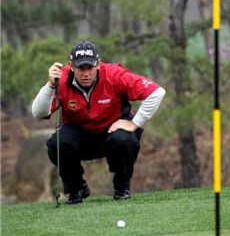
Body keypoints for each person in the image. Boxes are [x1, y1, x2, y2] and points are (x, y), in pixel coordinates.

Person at [32, 41, 166, 204]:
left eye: (90, 67)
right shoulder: (61, 79)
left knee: (125, 139)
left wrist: (134, 123)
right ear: (71, 67)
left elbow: (157, 92)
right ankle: (76, 189)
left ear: (99, 64)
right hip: (79, 135)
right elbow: (38, 112)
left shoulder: (114, 75)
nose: (86, 73)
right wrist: (50, 86)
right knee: (56, 144)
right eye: (81, 68)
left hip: (112, 132)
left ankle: (122, 189)